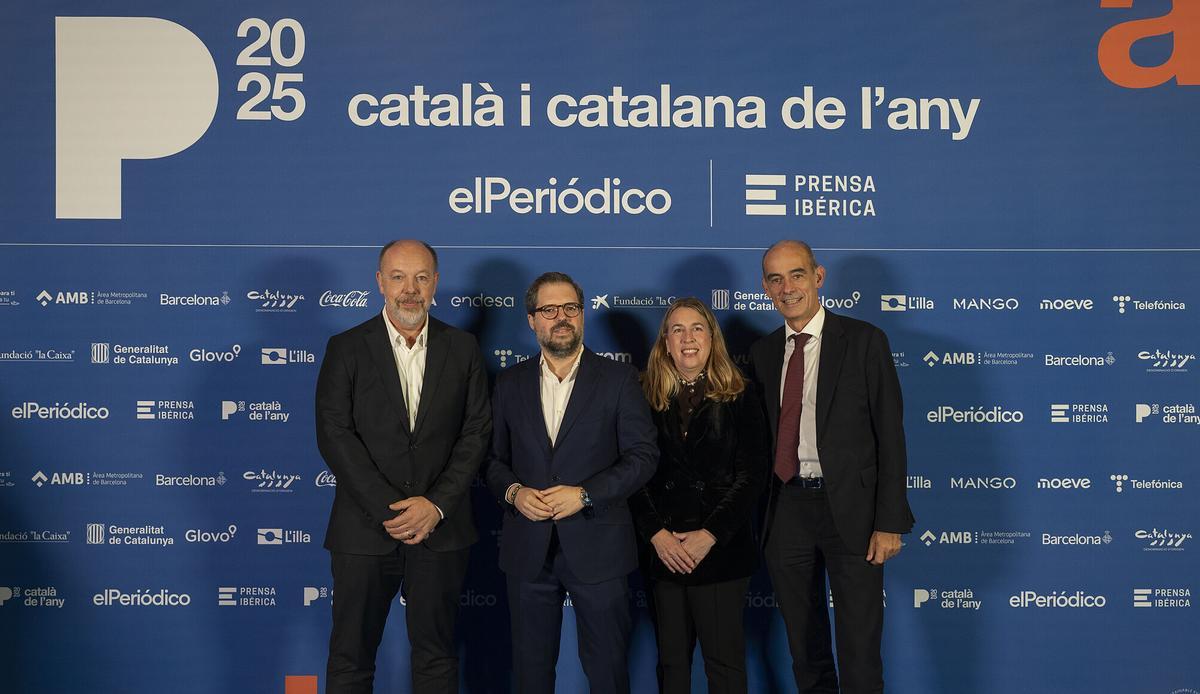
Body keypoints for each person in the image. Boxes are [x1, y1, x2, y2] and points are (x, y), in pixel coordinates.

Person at [315, 239, 491, 694]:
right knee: (351, 658)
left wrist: (435, 505)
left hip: (441, 530)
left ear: (436, 282)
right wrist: (391, 510)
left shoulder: (464, 347)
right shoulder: (346, 348)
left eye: (420, 277)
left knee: (436, 658)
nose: (409, 290)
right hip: (364, 532)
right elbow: (334, 436)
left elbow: (476, 434)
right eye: (398, 277)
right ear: (379, 283)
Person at [748, 240, 914, 694]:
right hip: (785, 510)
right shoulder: (762, 353)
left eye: (797, 275)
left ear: (818, 277)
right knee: (806, 650)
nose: (788, 288)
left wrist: (889, 521)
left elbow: (890, 436)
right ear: (764, 288)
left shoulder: (864, 340)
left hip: (854, 513)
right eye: (776, 279)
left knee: (859, 654)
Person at [484, 271, 659, 694]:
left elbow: (643, 457)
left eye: (570, 308)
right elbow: (490, 460)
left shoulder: (619, 380)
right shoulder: (508, 383)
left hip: (599, 549)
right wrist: (514, 493)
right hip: (528, 552)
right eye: (549, 310)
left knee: (607, 672)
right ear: (531, 320)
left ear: (582, 315)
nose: (560, 318)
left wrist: (585, 494)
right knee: (530, 673)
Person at [630, 297, 769, 694]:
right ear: (665, 343)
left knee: (724, 666)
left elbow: (753, 475)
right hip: (665, 551)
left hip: (720, 552)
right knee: (672, 665)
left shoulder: (741, 394)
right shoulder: (642, 394)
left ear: (712, 338)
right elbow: (630, 473)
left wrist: (710, 535)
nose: (687, 338)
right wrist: (656, 534)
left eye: (697, 329)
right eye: (677, 330)